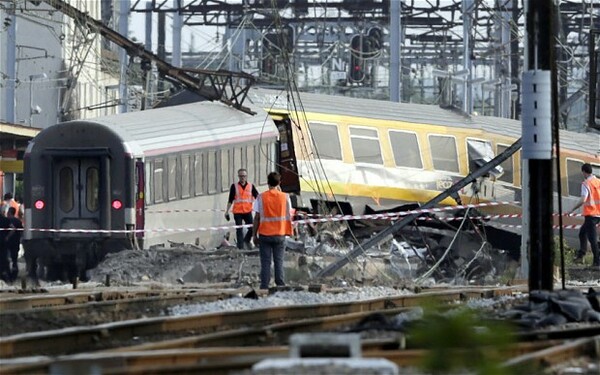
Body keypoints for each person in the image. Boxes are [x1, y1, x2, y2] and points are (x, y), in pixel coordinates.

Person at [252, 172, 293, 289]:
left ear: (267, 182)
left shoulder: (261, 197)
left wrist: (254, 235)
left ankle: (264, 286)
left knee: (265, 262)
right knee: (278, 261)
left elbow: (257, 217)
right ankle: (280, 284)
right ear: (279, 183)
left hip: (265, 234)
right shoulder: (285, 197)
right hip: (280, 234)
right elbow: (289, 214)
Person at [568, 163, 600, 267]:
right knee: (582, 233)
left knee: (592, 239)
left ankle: (597, 262)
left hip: (591, 214)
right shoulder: (598, 181)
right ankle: (581, 255)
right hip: (598, 214)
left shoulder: (586, 183)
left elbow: (583, 199)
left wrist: (572, 209)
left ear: (584, 172)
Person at [224, 168, 259, 250]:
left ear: (246, 176)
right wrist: (227, 211)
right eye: (240, 176)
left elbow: (257, 197)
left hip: (247, 211)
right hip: (238, 212)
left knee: (252, 228)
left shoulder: (251, 186)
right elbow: (230, 200)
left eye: (244, 176)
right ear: (238, 176)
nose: (242, 178)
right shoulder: (234, 186)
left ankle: (246, 240)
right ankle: (241, 248)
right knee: (239, 230)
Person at [6, 206, 23, 280]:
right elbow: (21, 231)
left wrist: (7, 237)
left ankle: (7, 273)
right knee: (14, 259)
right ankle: (14, 273)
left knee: (6, 258)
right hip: (16, 242)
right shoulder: (18, 221)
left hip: (7, 243)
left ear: (9, 212)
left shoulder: (7, 220)